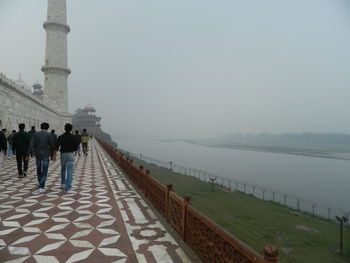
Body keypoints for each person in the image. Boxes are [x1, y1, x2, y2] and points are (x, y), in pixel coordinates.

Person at [53, 123, 80, 192]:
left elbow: (57, 146)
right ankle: (69, 187)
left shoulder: (61, 136)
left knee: (63, 169)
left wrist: (54, 155)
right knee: (70, 171)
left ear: (65, 129)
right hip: (71, 154)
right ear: (71, 129)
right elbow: (76, 147)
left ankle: (63, 184)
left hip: (63, 154)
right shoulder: (74, 137)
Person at [30, 122, 55, 193]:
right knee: (45, 170)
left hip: (38, 154)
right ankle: (41, 186)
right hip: (46, 154)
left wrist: (32, 152)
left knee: (38, 168)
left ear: (41, 127)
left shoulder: (36, 134)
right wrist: (52, 155)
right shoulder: (49, 134)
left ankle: (40, 182)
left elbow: (31, 144)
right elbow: (52, 146)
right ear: (47, 128)